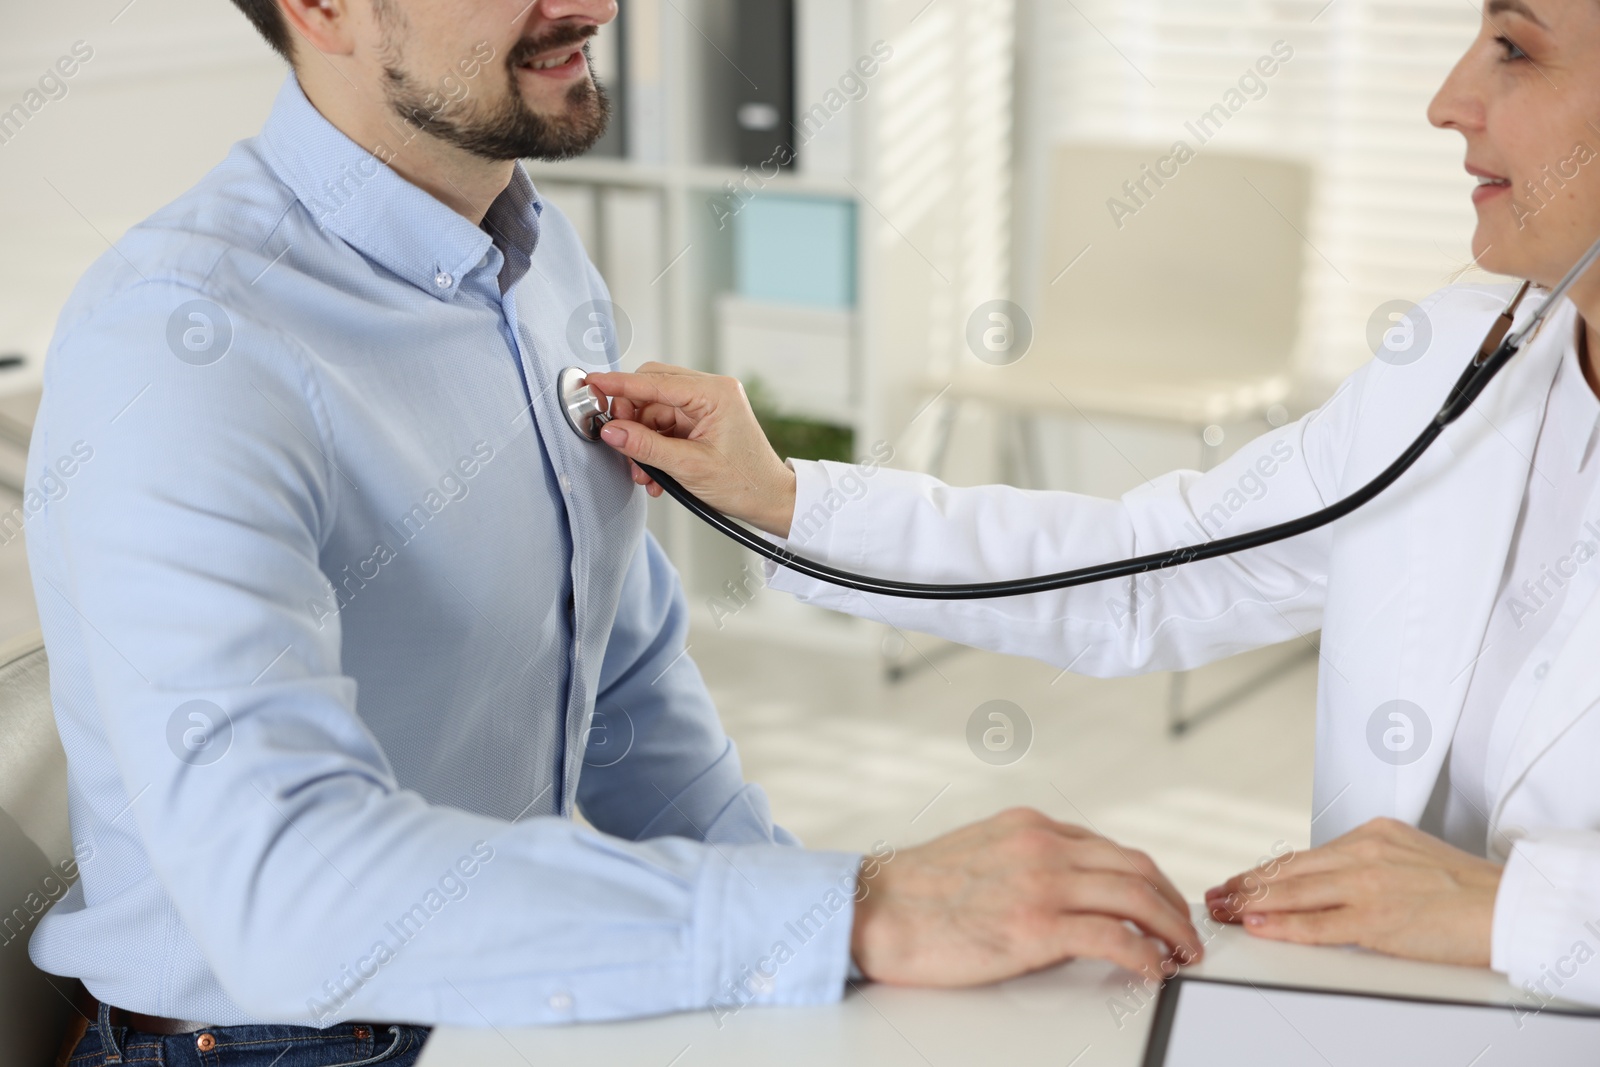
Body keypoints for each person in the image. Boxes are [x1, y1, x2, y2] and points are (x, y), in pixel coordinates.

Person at [28, 1, 1207, 1064]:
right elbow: (280, 883)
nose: (594, 5)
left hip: (508, 995)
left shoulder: (540, 265)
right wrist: (849, 910)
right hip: (277, 1042)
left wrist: (839, 953)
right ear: (320, 8)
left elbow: (626, 684)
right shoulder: (181, 341)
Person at [589, 0, 1600, 1009]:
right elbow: (1143, 574)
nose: (1444, 102)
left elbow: (1508, 909)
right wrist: (786, 498)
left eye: (1514, 48)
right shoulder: (1468, 358)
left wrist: (1516, 911)